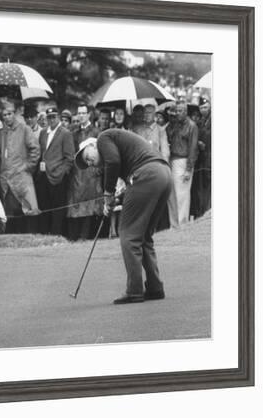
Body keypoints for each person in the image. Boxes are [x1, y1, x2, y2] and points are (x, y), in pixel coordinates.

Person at [75, 129, 172, 304]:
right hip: (163, 174)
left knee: (129, 235)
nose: (88, 163)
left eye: (86, 156)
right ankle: (155, 287)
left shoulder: (103, 139)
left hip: (148, 174)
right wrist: (113, 197)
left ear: (92, 145)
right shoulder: (116, 147)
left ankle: (134, 291)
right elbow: (124, 174)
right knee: (144, 237)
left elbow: (113, 161)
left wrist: (108, 193)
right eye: (86, 163)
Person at [0, 100, 41, 233]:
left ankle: (29, 240)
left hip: (22, 178)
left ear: (15, 114)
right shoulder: (3, 132)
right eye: (4, 115)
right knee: (11, 213)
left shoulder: (24, 129)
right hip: (7, 179)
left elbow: (35, 149)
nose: (6, 117)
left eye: (9, 114)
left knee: (28, 211)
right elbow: (2, 153)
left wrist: (27, 167)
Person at [36, 106, 75, 236]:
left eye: (53, 117)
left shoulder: (65, 133)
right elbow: (42, 153)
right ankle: (45, 235)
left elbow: (70, 158)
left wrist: (62, 172)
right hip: (44, 175)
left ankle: (56, 235)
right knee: (44, 207)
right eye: (49, 117)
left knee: (57, 209)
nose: (51, 120)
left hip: (58, 176)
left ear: (58, 117)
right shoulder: (43, 133)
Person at [66, 109, 103, 241]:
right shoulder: (74, 133)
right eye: (79, 113)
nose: (81, 116)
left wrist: (98, 169)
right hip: (77, 173)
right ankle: (74, 235)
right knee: (76, 205)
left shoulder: (96, 132)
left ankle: (85, 235)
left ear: (88, 115)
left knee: (90, 206)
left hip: (92, 173)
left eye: (83, 113)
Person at [166, 100, 199, 228]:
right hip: (172, 160)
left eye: (180, 111)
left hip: (184, 161)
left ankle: (182, 224)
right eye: (176, 111)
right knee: (173, 195)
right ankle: (174, 224)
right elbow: (167, 134)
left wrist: (188, 169)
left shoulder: (192, 126)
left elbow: (193, 148)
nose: (178, 113)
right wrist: (171, 118)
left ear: (185, 112)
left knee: (182, 196)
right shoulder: (174, 124)